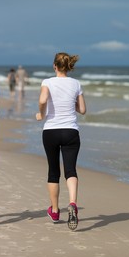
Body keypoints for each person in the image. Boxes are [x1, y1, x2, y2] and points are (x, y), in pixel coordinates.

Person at [36, 52, 86, 230]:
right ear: (68, 66)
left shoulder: (47, 82)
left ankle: (55, 211)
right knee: (71, 170)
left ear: (54, 66)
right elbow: (82, 109)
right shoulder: (76, 83)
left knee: (53, 171)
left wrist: (41, 113)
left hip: (51, 130)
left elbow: (42, 99)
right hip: (71, 131)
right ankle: (72, 203)